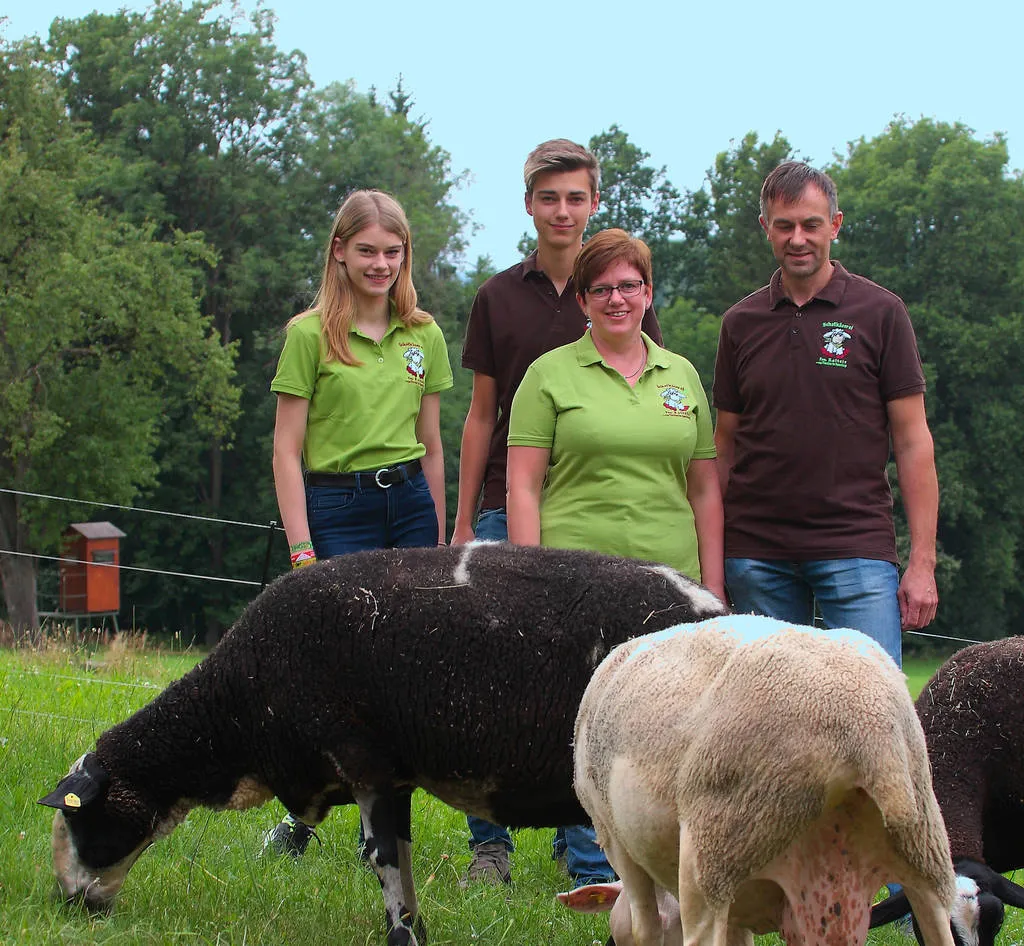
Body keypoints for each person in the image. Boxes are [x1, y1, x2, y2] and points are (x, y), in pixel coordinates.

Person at [453, 140, 663, 888]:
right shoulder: (497, 298)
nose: (563, 210)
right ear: (530, 205)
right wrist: (462, 521)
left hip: (587, 517)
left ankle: (576, 829)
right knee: (495, 683)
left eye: (576, 197)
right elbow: (481, 418)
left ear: (593, 203)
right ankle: (490, 842)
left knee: (588, 684)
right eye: (550, 198)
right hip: (505, 513)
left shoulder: (619, 284)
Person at [505, 228, 725, 885]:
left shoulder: (680, 375)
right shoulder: (549, 376)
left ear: (649, 292)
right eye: (600, 288)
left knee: (678, 729)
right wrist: (528, 579)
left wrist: (712, 584)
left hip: (672, 584)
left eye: (629, 285)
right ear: (582, 300)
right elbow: (521, 484)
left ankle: (674, 866)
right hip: (577, 584)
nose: (617, 298)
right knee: (591, 728)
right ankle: (596, 870)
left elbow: (706, 486)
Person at [264, 188, 452, 856]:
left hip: (408, 504)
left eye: (391, 252)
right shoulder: (309, 335)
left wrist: (439, 537)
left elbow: (431, 444)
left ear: (406, 256)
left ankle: (386, 829)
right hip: (337, 506)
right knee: (337, 674)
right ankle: (302, 813)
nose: (379, 264)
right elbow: (286, 450)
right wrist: (302, 550)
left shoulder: (422, 335)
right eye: (366, 250)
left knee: (403, 669)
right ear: (340, 251)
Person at [713, 161, 939, 668]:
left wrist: (922, 561)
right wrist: (714, 559)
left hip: (855, 548)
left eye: (811, 225)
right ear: (765, 227)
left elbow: (912, 441)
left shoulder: (881, 313)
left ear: (834, 225)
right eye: (784, 225)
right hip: (756, 556)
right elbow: (723, 444)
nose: (798, 238)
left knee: (872, 716)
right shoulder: (740, 323)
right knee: (767, 723)